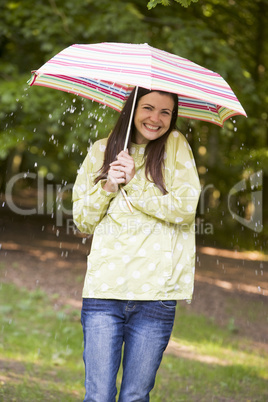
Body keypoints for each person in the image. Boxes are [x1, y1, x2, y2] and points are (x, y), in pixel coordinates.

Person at [72, 87, 201, 402]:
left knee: (135, 396)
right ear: (131, 108)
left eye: (165, 112)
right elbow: (82, 221)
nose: (155, 118)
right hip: (104, 293)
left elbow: (185, 210)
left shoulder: (175, 147)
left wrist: (136, 181)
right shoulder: (101, 151)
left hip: (155, 296)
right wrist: (108, 186)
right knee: (99, 395)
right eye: (148, 108)